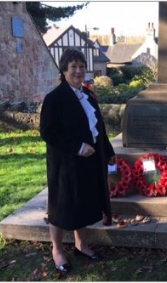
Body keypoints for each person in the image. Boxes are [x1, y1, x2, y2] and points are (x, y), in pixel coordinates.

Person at [40, 47, 116, 274]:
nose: (78, 71)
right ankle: (58, 250)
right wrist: (77, 147)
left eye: (82, 66)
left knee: (81, 204)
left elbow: (99, 128)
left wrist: (109, 149)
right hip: (65, 164)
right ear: (64, 70)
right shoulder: (54, 98)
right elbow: (48, 132)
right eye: (73, 67)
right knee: (61, 207)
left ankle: (81, 244)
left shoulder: (89, 95)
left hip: (89, 162)